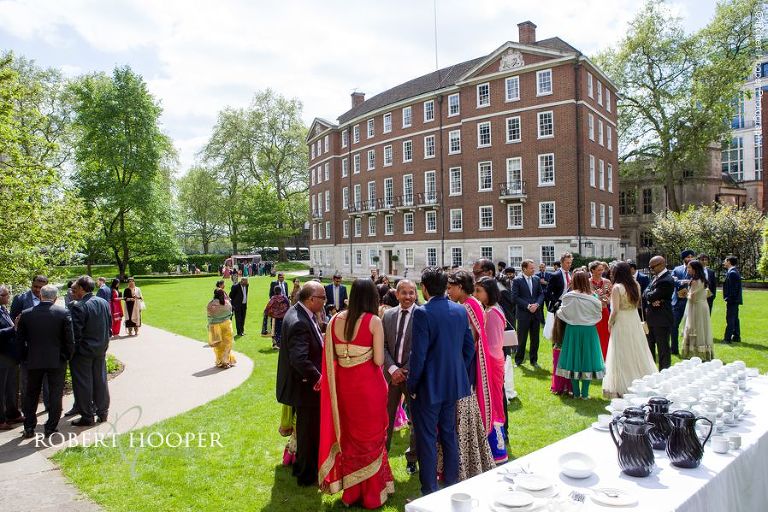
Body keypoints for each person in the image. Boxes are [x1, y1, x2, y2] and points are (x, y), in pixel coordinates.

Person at [318, 278, 394, 508]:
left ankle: (351, 493)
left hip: (343, 387)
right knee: (371, 437)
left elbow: (331, 360)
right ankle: (372, 494)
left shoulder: (334, 321)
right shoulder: (374, 321)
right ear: (373, 297)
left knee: (350, 438)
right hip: (368, 387)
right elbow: (379, 360)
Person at [407, 267, 474, 496]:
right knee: (448, 434)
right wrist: (456, 371)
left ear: (424, 288)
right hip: (451, 383)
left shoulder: (423, 312)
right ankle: (452, 484)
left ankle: (430, 491)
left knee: (427, 439)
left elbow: (419, 355)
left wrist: (412, 386)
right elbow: (468, 348)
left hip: (428, 387)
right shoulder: (459, 310)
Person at [445, 271, 496, 478]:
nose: (448, 291)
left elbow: (470, 339)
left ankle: (467, 449)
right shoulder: (473, 302)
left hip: (469, 361)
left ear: (460, 287)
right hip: (473, 358)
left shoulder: (466, 306)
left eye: (451, 287)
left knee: (465, 406)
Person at [275, 281, 326, 486]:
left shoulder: (300, 313)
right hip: (305, 388)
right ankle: (307, 475)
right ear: (311, 299)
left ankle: (304, 469)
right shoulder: (299, 321)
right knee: (308, 433)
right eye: (323, 297)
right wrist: (318, 378)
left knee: (306, 431)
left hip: (302, 387)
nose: (325, 301)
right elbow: (299, 359)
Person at [17, 285, 74, 438]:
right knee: (55, 393)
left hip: (33, 359)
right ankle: (51, 427)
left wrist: (23, 357)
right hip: (56, 360)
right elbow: (69, 340)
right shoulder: (63, 313)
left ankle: (29, 427)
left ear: (41, 296)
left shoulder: (27, 314)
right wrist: (67, 356)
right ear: (55, 298)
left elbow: (20, 340)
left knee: (31, 394)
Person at [602, 263, 657, 398]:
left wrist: (609, 323)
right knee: (636, 349)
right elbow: (637, 303)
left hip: (622, 319)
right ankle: (641, 379)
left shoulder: (617, 288)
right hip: (633, 318)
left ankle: (623, 385)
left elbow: (615, 310)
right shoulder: (636, 285)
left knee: (621, 351)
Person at [382, 280, 419, 474]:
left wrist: (405, 369)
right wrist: (393, 369)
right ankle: (382, 460)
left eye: (411, 293)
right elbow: (382, 345)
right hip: (390, 376)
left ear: (416, 294)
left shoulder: (422, 315)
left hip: (412, 377)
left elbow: (422, 348)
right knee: (385, 419)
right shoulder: (387, 315)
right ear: (396, 295)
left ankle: (412, 458)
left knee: (415, 420)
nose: (407, 296)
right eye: (403, 293)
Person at [473, 276, 509, 464]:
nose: (476, 294)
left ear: (489, 291)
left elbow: (494, 347)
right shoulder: (489, 309)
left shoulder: (493, 312)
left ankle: (498, 451)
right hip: (491, 362)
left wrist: (476, 346)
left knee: (493, 404)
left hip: (492, 364)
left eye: (479, 291)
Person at [69, 276, 112, 426]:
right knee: (100, 381)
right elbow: (109, 326)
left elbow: (76, 334)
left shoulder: (79, 306)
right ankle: (103, 412)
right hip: (100, 349)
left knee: (83, 384)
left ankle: (87, 416)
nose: (74, 290)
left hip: (84, 352)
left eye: (76, 288)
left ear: (81, 288)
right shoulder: (103, 302)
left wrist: (74, 351)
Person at [555, 270, 604, 399]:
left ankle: (576, 393)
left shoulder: (569, 296)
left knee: (573, 359)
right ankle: (585, 394)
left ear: (574, 281)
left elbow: (562, 313)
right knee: (588, 360)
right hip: (589, 331)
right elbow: (598, 314)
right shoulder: (593, 297)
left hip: (573, 330)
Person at [11, 275, 50, 416]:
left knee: (48, 381)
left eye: (40, 288)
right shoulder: (20, 299)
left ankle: (50, 407)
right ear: (31, 284)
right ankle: (28, 411)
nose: (37, 290)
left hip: (47, 349)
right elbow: (13, 323)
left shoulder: (50, 298)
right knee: (27, 383)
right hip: (28, 350)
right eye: (35, 286)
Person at [644, 256, 676, 370]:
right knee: (650, 345)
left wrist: (650, 296)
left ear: (662, 264)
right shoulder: (656, 277)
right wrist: (649, 296)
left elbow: (652, 296)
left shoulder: (666, 280)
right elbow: (646, 292)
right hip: (652, 318)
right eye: (650, 267)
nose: (651, 269)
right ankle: (651, 370)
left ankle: (664, 371)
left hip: (662, 318)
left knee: (663, 348)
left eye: (653, 267)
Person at [511, 260, 545, 368]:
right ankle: (518, 360)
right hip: (523, 314)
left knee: (535, 339)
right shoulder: (517, 280)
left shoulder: (536, 279)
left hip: (536, 313)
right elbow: (514, 297)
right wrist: (528, 306)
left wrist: (537, 304)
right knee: (522, 339)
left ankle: (534, 360)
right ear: (524, 269)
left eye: (533, 267)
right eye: (531, 268)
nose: (533, 269)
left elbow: (541, 294)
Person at [681, 260, 714, 361]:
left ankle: (695, 352)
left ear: (695, 269)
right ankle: (704, 351)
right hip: (703, 305)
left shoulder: (695, 281)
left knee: (696, 327)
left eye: (689, 268)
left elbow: (693, 298)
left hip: (696, 307)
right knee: (702, 327)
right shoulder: (702, 279)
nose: (687, 269)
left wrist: (684, 294)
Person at [0, 285, 21, 430]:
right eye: (6, 295)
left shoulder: (3, 309)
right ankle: (1, 420)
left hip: (11, 356)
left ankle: (13, 414)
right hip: (2, 355)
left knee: (11, 387)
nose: (9, 297)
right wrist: (13, 328)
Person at [671, 250, 696, 355]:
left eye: (691, 257)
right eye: (688, 257)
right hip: (678, 301)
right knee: (674, 325)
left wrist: (681, 281)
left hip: (691, 301)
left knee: (692, 327)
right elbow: (672, 280)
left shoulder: (696, 270)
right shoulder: (677, 269)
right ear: (683, 258)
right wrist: (683, 282)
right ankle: (674, 349)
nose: (690, 259)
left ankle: (691, 349)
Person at [207, 288, 237, 368]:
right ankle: (226, 361)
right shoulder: (226, 303)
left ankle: (220, 361)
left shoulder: (211, 304)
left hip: (214, 326)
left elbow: (209, 316)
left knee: (218, 345)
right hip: (226, 325)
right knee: (227, 344)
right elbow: (230, 312)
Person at [589, 261, 612, 360]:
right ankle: (594, 357)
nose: (601, 272)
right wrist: (596, 296)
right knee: (594, 335)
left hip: (604, 311)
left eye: (602, 270)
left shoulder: (607, 282)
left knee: (605, 335)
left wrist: (608, 299)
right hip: (591, 312)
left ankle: (606, 357)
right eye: (598, 270)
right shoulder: (587, 282)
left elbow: (611, 295)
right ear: (592, 270)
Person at [722, 256, 743, 344]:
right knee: (734, 318)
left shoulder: (732, 273)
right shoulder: (733, 272)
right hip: (734, 300)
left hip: (732, 300)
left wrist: (729, 298)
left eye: (725, 261)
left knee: (730, 319)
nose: (724, 262)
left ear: (729, 262)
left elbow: (733, 288)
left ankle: (727, 338)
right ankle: (736, 336)